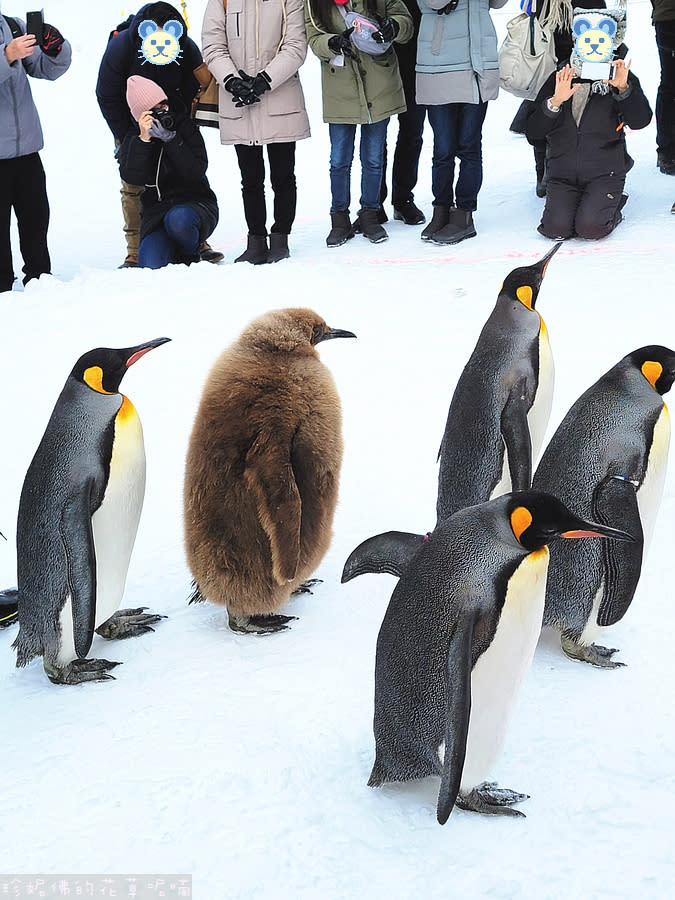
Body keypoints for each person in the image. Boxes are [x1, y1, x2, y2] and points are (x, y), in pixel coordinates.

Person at [96, 2, 222, 268]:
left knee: (186, 166)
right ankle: (134, 249)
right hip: (132, 119)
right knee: (133, 186)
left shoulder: (185, 45)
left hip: (175, 115)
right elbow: (106, 95)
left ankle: (196, 237)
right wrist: (130, 137)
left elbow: (198, 82)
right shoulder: (121, 49)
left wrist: (181, 123)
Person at [525, 6, 651, 241]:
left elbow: (641, 120)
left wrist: (624, 90)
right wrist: (554, 102)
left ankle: (613, 204)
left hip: (605, 172)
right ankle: (583, 203)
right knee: (555, 229)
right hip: (562, 174)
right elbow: (533, 133)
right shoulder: (560, 76)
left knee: (591, 228)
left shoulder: (617, 75)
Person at [202, 0, 310, 265]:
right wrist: (231, 80)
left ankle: (280, 238)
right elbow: (213, 44)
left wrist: (265, 80)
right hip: (238, 99)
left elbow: (296, 45)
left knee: (283, 175)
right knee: (250, 178)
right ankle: (256, 240)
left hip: (279, 94)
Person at [305, 0, 414, 246]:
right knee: (339, 160)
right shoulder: (313, 3)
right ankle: (339, 219)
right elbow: (312, 36)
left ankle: (370, 215)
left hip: (379, 84)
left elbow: (405, 20)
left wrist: (394, 26)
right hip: (339, 86)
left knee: (373, 158)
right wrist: (331, 43)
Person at [417, 0, 509, 246]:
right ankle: (441, 209)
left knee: (469, 146)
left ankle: (464, 214)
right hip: (439, 66)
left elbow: (498, 3)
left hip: (477, 65)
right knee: (443, 148)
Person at [117, 75, 219, 269]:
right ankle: (173, 249)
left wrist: (171, 140)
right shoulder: (133, 139)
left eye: (164, 105)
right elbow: (132, 178)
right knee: (150, 265)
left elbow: (196, 172)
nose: (162, 112)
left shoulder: (184, 127)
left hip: (195, 206)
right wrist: (143, 141)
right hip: (157, 215)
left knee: (178, 220)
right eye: (154, 110)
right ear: (141, 116)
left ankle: (190, 252)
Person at [1, 11, 71, 293]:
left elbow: (46, 69)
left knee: (36, 216)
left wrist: (56, 48)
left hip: (27, 148)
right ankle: (2, 287)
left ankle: (40, 278)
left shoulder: (12, 25)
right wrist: (6, 55)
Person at [378, 0, 427, 226]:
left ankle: (403, 198)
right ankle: (374, 202)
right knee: (376, 138)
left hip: (418, 60)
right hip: (377, 62)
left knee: (412, 133)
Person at [652, 0, 675, 174]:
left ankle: (667, 153)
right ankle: (667, 153)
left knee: (669, 86)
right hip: (669, 17)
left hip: (666, 17)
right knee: (669, 86)